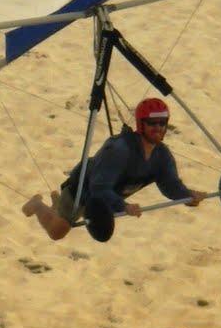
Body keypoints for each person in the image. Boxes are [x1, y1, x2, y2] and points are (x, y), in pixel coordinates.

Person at [22, 97, 208, 240]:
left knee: (63, 217)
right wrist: (123, 206)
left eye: (162, 123)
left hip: (105, 198)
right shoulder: (120, 150)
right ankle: (37, 205)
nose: (158, 128)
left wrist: (187, 196)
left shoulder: (162, 156)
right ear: (141, 125)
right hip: (84, 189)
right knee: (58, 231)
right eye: (152, 123)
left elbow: (170, 184)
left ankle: (57, 202)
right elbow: (99, 188)